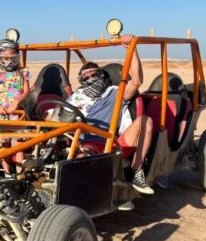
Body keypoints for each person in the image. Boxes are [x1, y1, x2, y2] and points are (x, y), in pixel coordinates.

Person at [45, 34, 155, 197]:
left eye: (94, 75)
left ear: (101, 75)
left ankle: (135, 172)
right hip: (84, 140)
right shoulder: (77, 96)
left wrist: (132, 49)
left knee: (146, 121)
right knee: (73, 152)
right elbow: (56, 115)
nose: (90, 78)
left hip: (112, 141)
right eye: (86, 77)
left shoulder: (114, 92)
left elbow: (137, 81)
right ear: (81, 80)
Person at [0, 38, 30, 174]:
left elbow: (26, 91)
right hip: (2, 113)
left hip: (18, 113)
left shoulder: (22, 72)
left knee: (20, 145)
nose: (9, 62)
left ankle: (19, 174)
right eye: (5, 59)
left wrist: (17, 101)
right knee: (5, 146)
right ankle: (7, 173)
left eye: (12, 58)